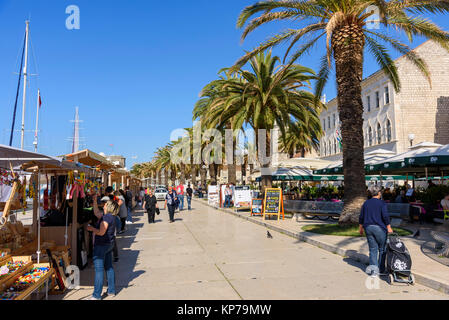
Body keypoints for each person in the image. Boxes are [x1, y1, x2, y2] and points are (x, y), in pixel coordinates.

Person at [87, 195, 118, 300]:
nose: (103, 206)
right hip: (109, 245)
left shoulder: (106, 218)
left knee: (99, 270)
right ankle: (111, 291)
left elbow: (101, 232)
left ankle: (96, 295)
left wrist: (91, 229)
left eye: (105, 205)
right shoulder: (110, 217)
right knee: (109, 267)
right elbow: (96, 213)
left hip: (101, 246)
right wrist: (95, 201)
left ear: (108, 207)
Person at [359, 185, 394, 277]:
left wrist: (360, 228)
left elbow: (361, 217)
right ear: (379, 193)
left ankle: (374, 272)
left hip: (368, 228)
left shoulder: (366, 203)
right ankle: (381, 270)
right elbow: (385, 216)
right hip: (379, 228)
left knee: (372, 249)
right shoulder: (382, 203)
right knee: (382, 249)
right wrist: (389, 226)